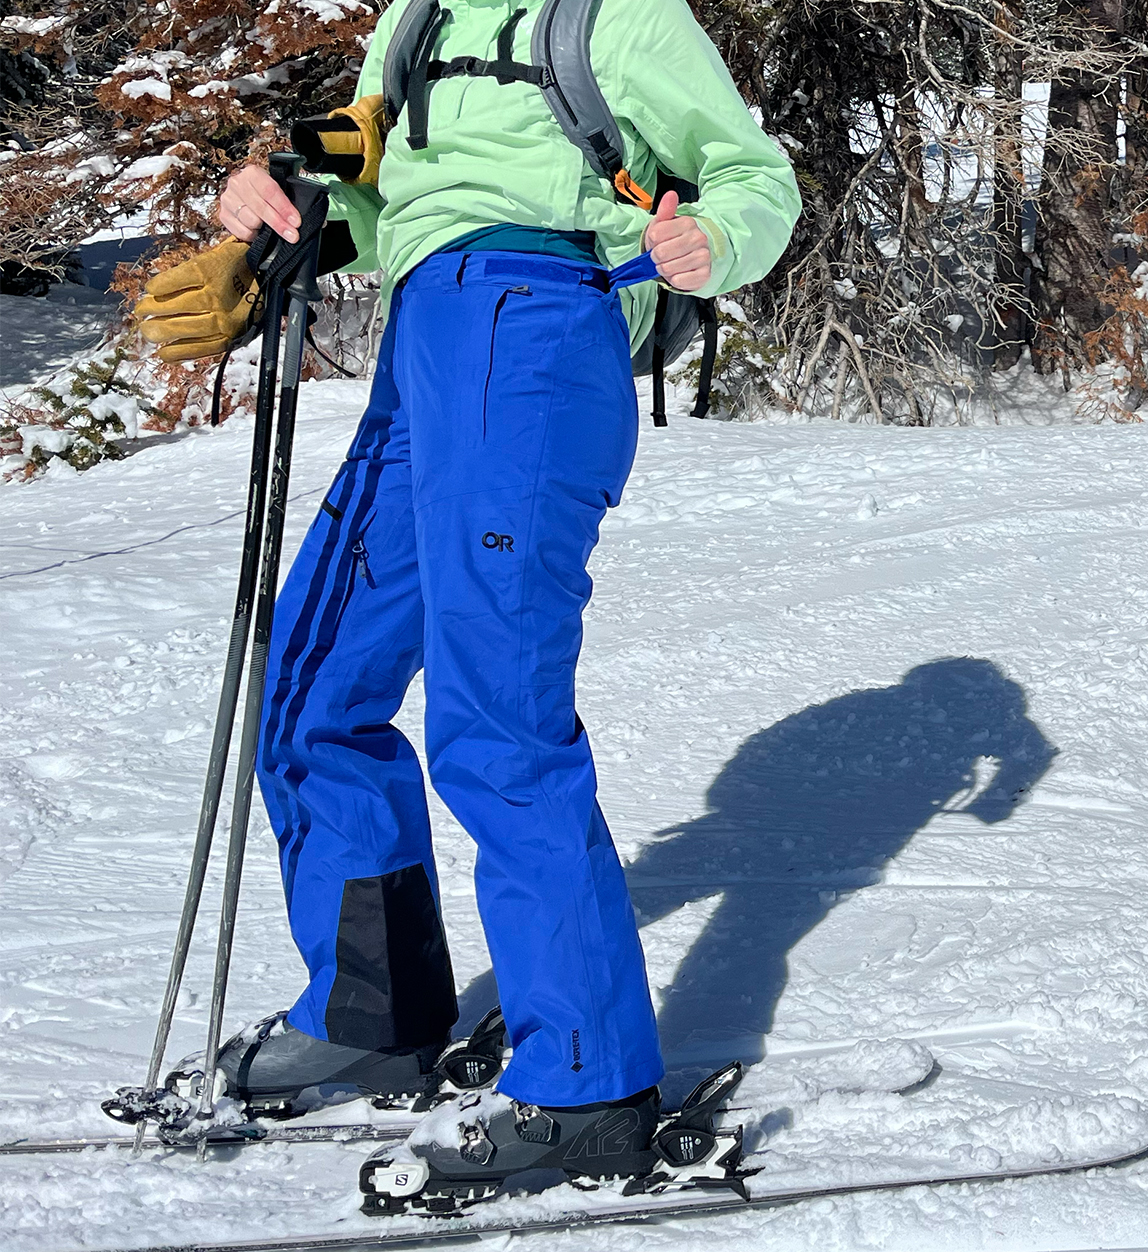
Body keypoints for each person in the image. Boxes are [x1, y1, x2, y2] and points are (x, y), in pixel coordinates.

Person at [137, 0, 800, 1209]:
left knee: (496, 720)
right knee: (312, 681)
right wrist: (281, 221)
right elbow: (388, 183)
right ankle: (374, 1009)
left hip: (539, 330)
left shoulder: (621, 18)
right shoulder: (415, 16)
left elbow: (752, 173)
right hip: (424, 338)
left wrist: (719, 234)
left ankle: (586, 1088)